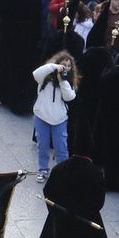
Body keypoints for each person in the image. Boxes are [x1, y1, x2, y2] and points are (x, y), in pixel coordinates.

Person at [31, 51, 77, 181]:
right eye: (63, 65)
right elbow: (36, 74)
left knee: (61, 147)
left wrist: (62, 81)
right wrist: (53, 67)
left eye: (69, 66)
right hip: (41, 116)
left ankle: (63, 172)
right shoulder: (45, 78)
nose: (66, 68)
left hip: (59, 119)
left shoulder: (68, 81)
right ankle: (43, 169)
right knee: (43, 145)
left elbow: (70, 97)